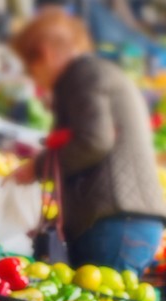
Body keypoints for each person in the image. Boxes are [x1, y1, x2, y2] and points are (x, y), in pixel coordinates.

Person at [10, 8, 166, 275]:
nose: (34, 78)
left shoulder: (81, 75)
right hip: (128, 221)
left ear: (45, 54)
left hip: (114, 222)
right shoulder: (96, 72)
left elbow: (94, 141)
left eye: (31, 68)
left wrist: (36, 168)